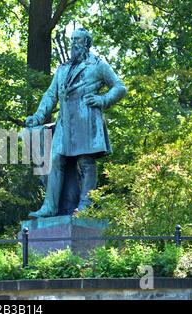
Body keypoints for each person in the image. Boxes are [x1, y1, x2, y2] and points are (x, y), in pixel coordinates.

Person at [26, 28, 127, 218]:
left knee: (86, 162)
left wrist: (103, 100)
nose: (73, 43)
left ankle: (86, 205)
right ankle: (50, 206)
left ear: (87, 43)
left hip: (86, 120)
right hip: (65, 123)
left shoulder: (98, 65)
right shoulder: (63, 68)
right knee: (55, 159)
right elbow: (50, 95)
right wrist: (38, 117)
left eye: (78, 40)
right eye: (72, 40)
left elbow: (120, 87)